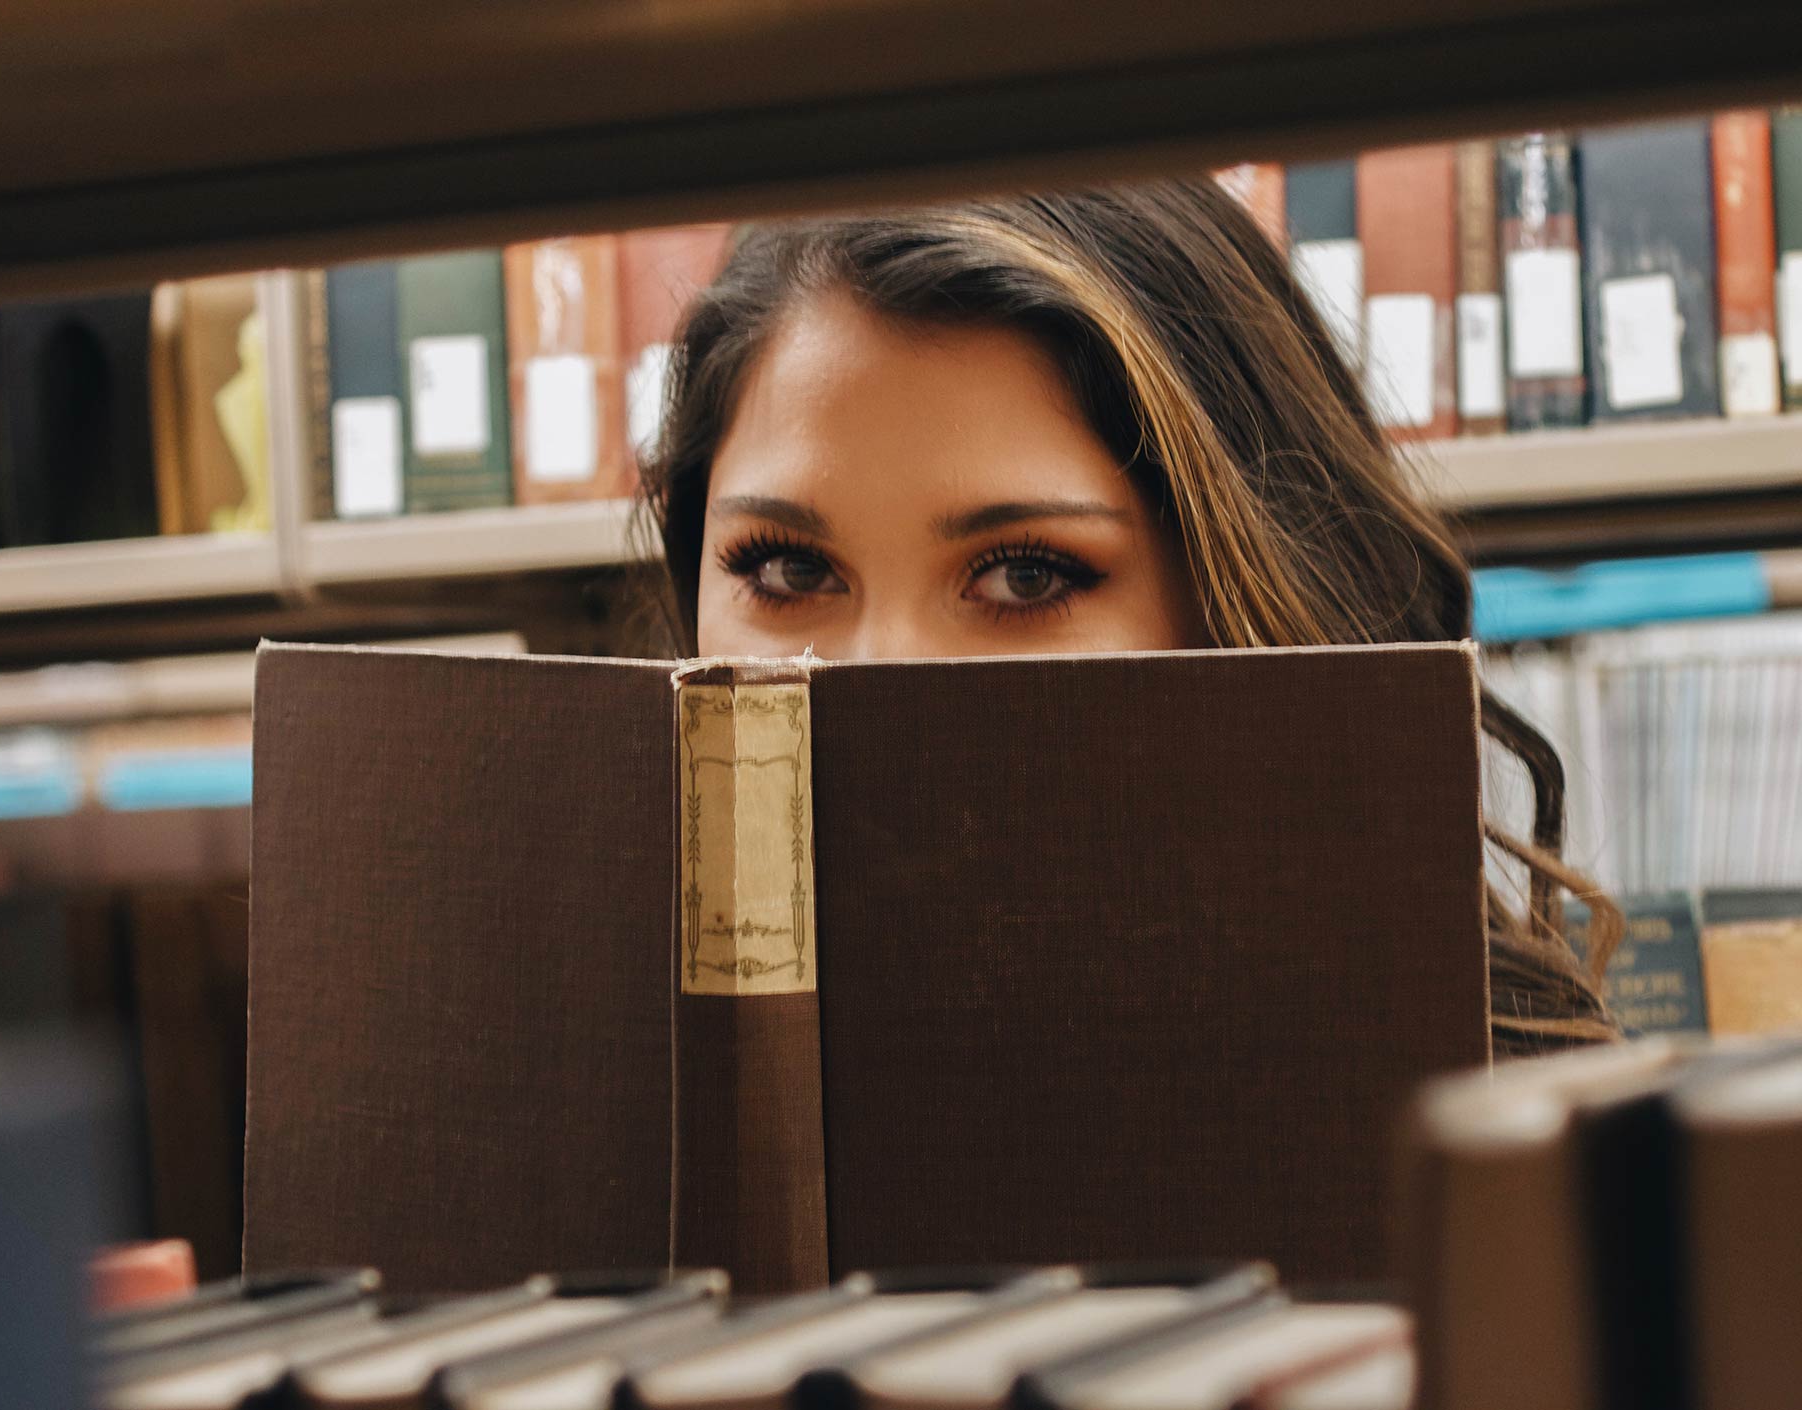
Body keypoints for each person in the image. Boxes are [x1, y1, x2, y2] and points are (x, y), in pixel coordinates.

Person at [635, 178, 1617, 1056]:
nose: (865, 686)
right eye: (788, 569)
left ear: (1244, 611)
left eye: (1025, 577)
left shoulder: (1515, 1160)